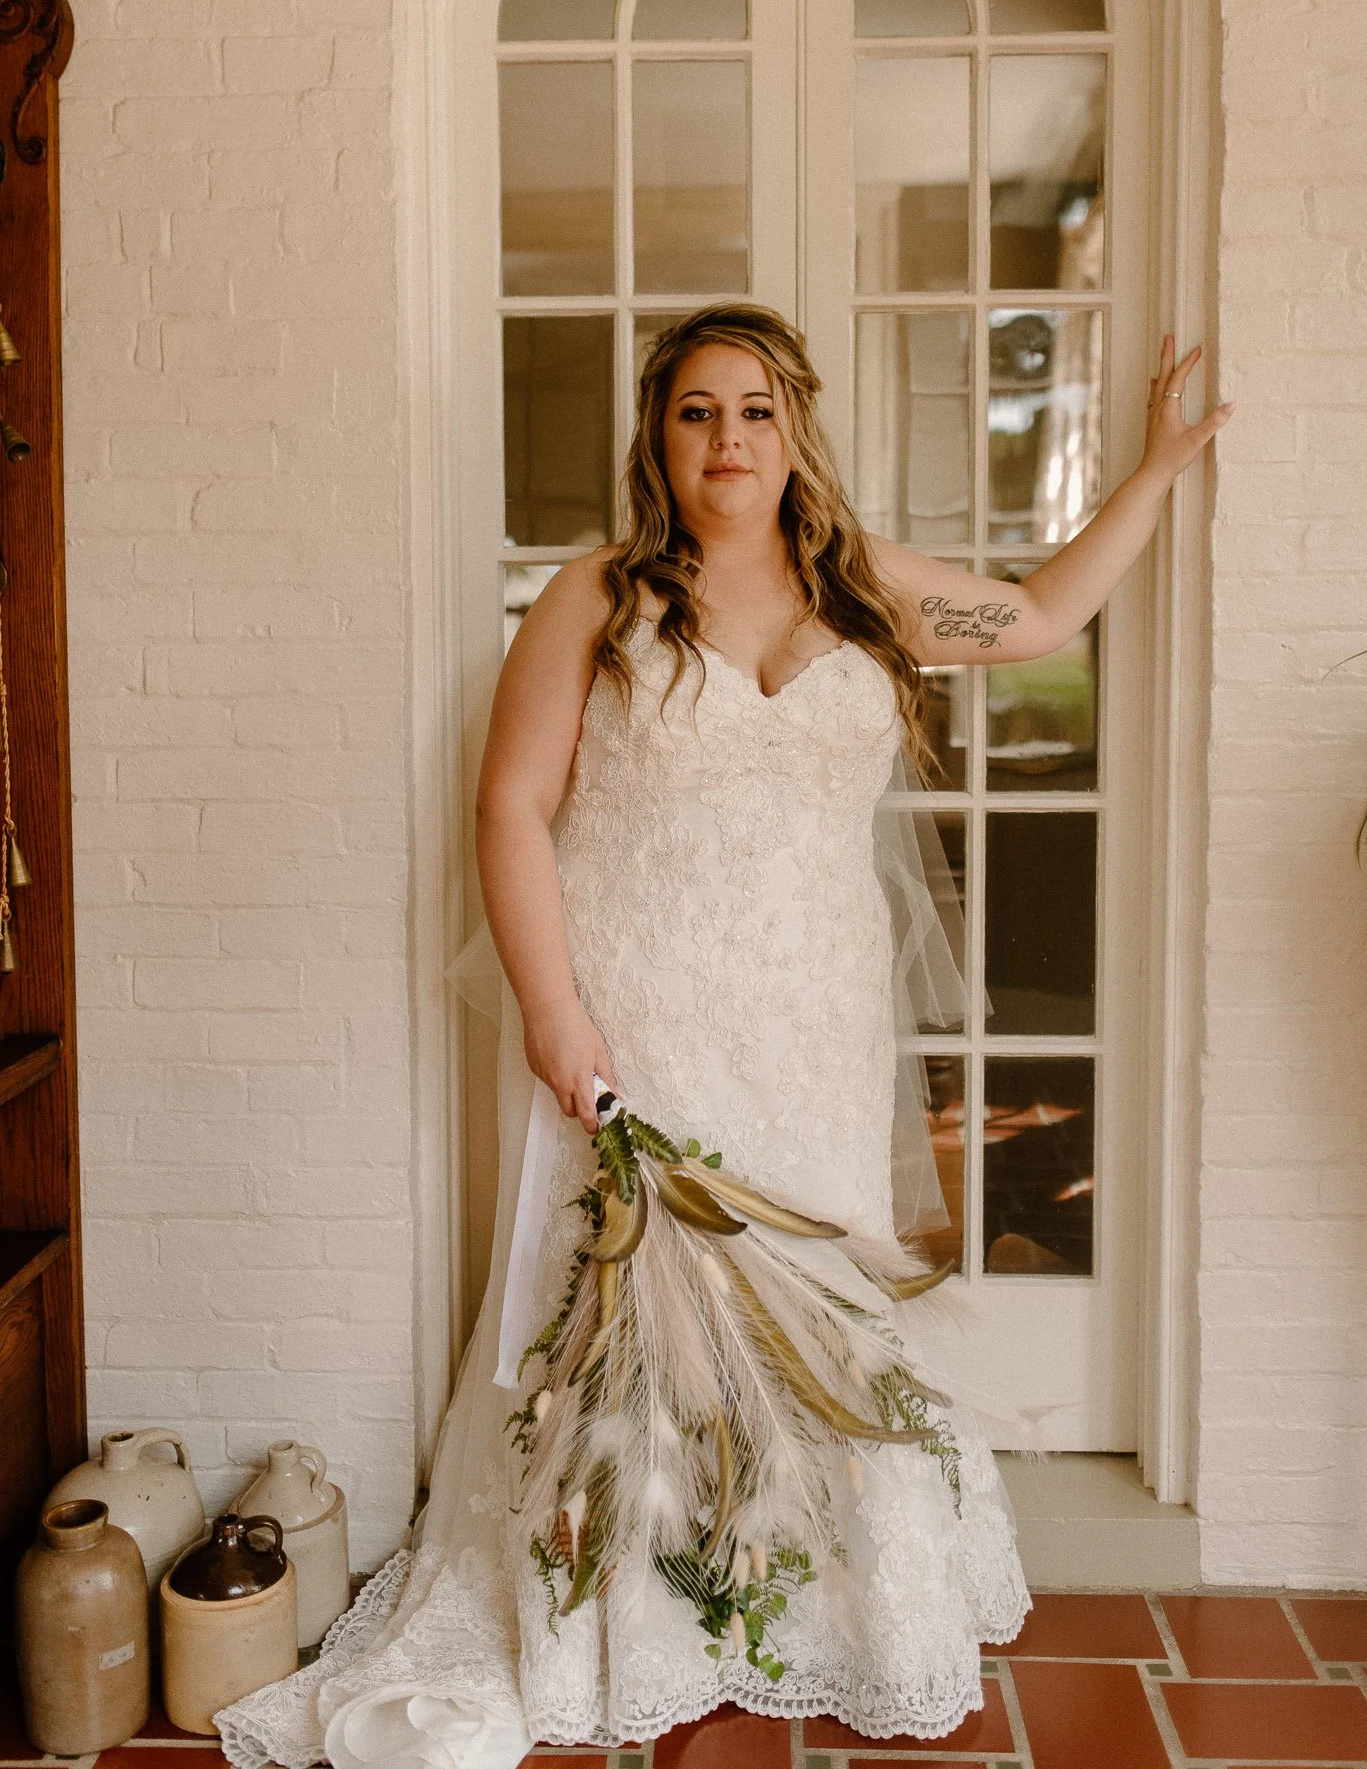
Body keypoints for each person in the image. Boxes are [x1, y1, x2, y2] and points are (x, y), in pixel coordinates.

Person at [219, 305, 1229, 1769]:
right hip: (644, 1014)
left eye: (755, 410)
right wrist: (555, 1014)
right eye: (697, 411)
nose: (728, 439)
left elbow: (1035, 622)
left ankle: (810, 1606)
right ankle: (636, 1616)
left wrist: (1155, 470)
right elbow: (512, 805)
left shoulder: (867, 589)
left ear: (794, 429)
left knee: (811, 1306)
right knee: (644, 1318)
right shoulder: (598, 597)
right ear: (657, 436)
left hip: (813, 1018)